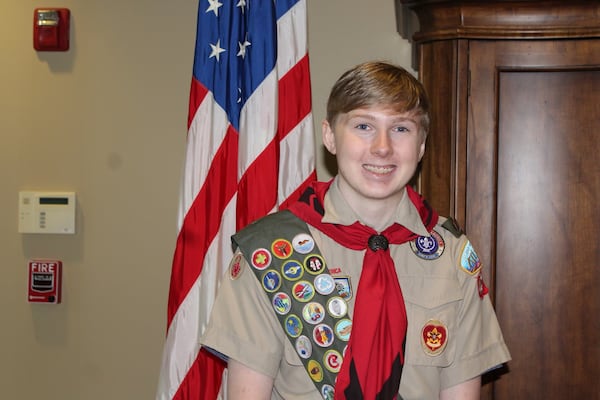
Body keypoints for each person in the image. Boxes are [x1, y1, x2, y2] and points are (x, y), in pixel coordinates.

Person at [200, 61, 511, 400]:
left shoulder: (450, 254)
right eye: (363, 126)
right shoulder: (272, 250)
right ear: (330, 136)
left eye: (401, 129)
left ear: (421, 146)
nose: (382, 147)